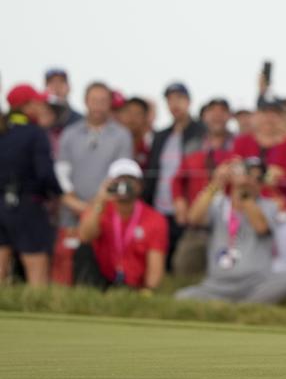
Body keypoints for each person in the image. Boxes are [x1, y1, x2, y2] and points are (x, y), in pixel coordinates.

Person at [174, 157, 286, 304]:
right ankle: (240, 308)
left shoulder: (269, 206)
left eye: (258, 178)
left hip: (255, 284)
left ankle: (241, 308)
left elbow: (261, 227)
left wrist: (243, 192)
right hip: (216, 285)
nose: (251, 181)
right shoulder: (219, 205)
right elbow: (194, 218)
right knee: (181, 297)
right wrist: (216, 183)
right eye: (247, 174)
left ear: (262, 184)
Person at [53, 82, 133, 285]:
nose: (98, 106)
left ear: (109, 104)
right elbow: (61, 173)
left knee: (99, 266)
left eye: (103, 101)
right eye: (94, 100)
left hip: (106, 213)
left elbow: (120, 175)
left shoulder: (122, 135)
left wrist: (95, 207)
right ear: (86, 102)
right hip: (70, 213)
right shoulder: (70, 133)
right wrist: (75, 203)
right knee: (66, 264)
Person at [0, 85, 61, 286]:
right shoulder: (35, 134)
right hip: (28, 205)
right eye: (38, 101)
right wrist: (58, 194)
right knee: (37, 269)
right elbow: (45, 174)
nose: (42, 105)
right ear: (25, 106)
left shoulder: (4, 130)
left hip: (2, 205)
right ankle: (36, 306)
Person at [77, 159, 167, 291]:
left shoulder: (154, 218)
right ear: (109, 183)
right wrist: (100, 201)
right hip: (102, 280)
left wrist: (148, 292)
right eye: (119, 180)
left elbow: (155, 265)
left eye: (130, 180)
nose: (124, 186)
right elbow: (85, 237)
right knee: (82, 250)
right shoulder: (99, 208)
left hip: (135, 286)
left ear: (140, 186)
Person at [170, 98, 235, 276]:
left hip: (230, 225)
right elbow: (177, 180)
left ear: (229, 116)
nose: (217, 116)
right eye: (212, 112)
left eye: (222, 111)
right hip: (198, 222)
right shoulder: (192, 145)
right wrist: (179, 202)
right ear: (204, 116)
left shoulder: (239, 145)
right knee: (184, 267)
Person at [144, 82, 206, 266]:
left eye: (179, 99)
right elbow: (153, 171)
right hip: (160, 206)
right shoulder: (161, 135)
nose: (175, 104)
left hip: (188, 207)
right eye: (170, 100)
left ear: (189, 102)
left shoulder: (201, 133)